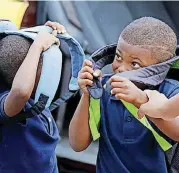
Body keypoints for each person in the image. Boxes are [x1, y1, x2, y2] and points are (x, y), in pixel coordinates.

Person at [69, 17, 179, 173]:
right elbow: (77, 144)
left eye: (134, 64)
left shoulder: (171, 91)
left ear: (159, 68)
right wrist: (87, 94)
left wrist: (140, 100)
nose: (120, 68)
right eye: (118, 57)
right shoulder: (104, 90)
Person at [0, 21, 66, 173]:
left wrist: (43, 32)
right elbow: (21, 92)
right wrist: (37, 47)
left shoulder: (37, 98)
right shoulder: (9, 100)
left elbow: (13, 44)